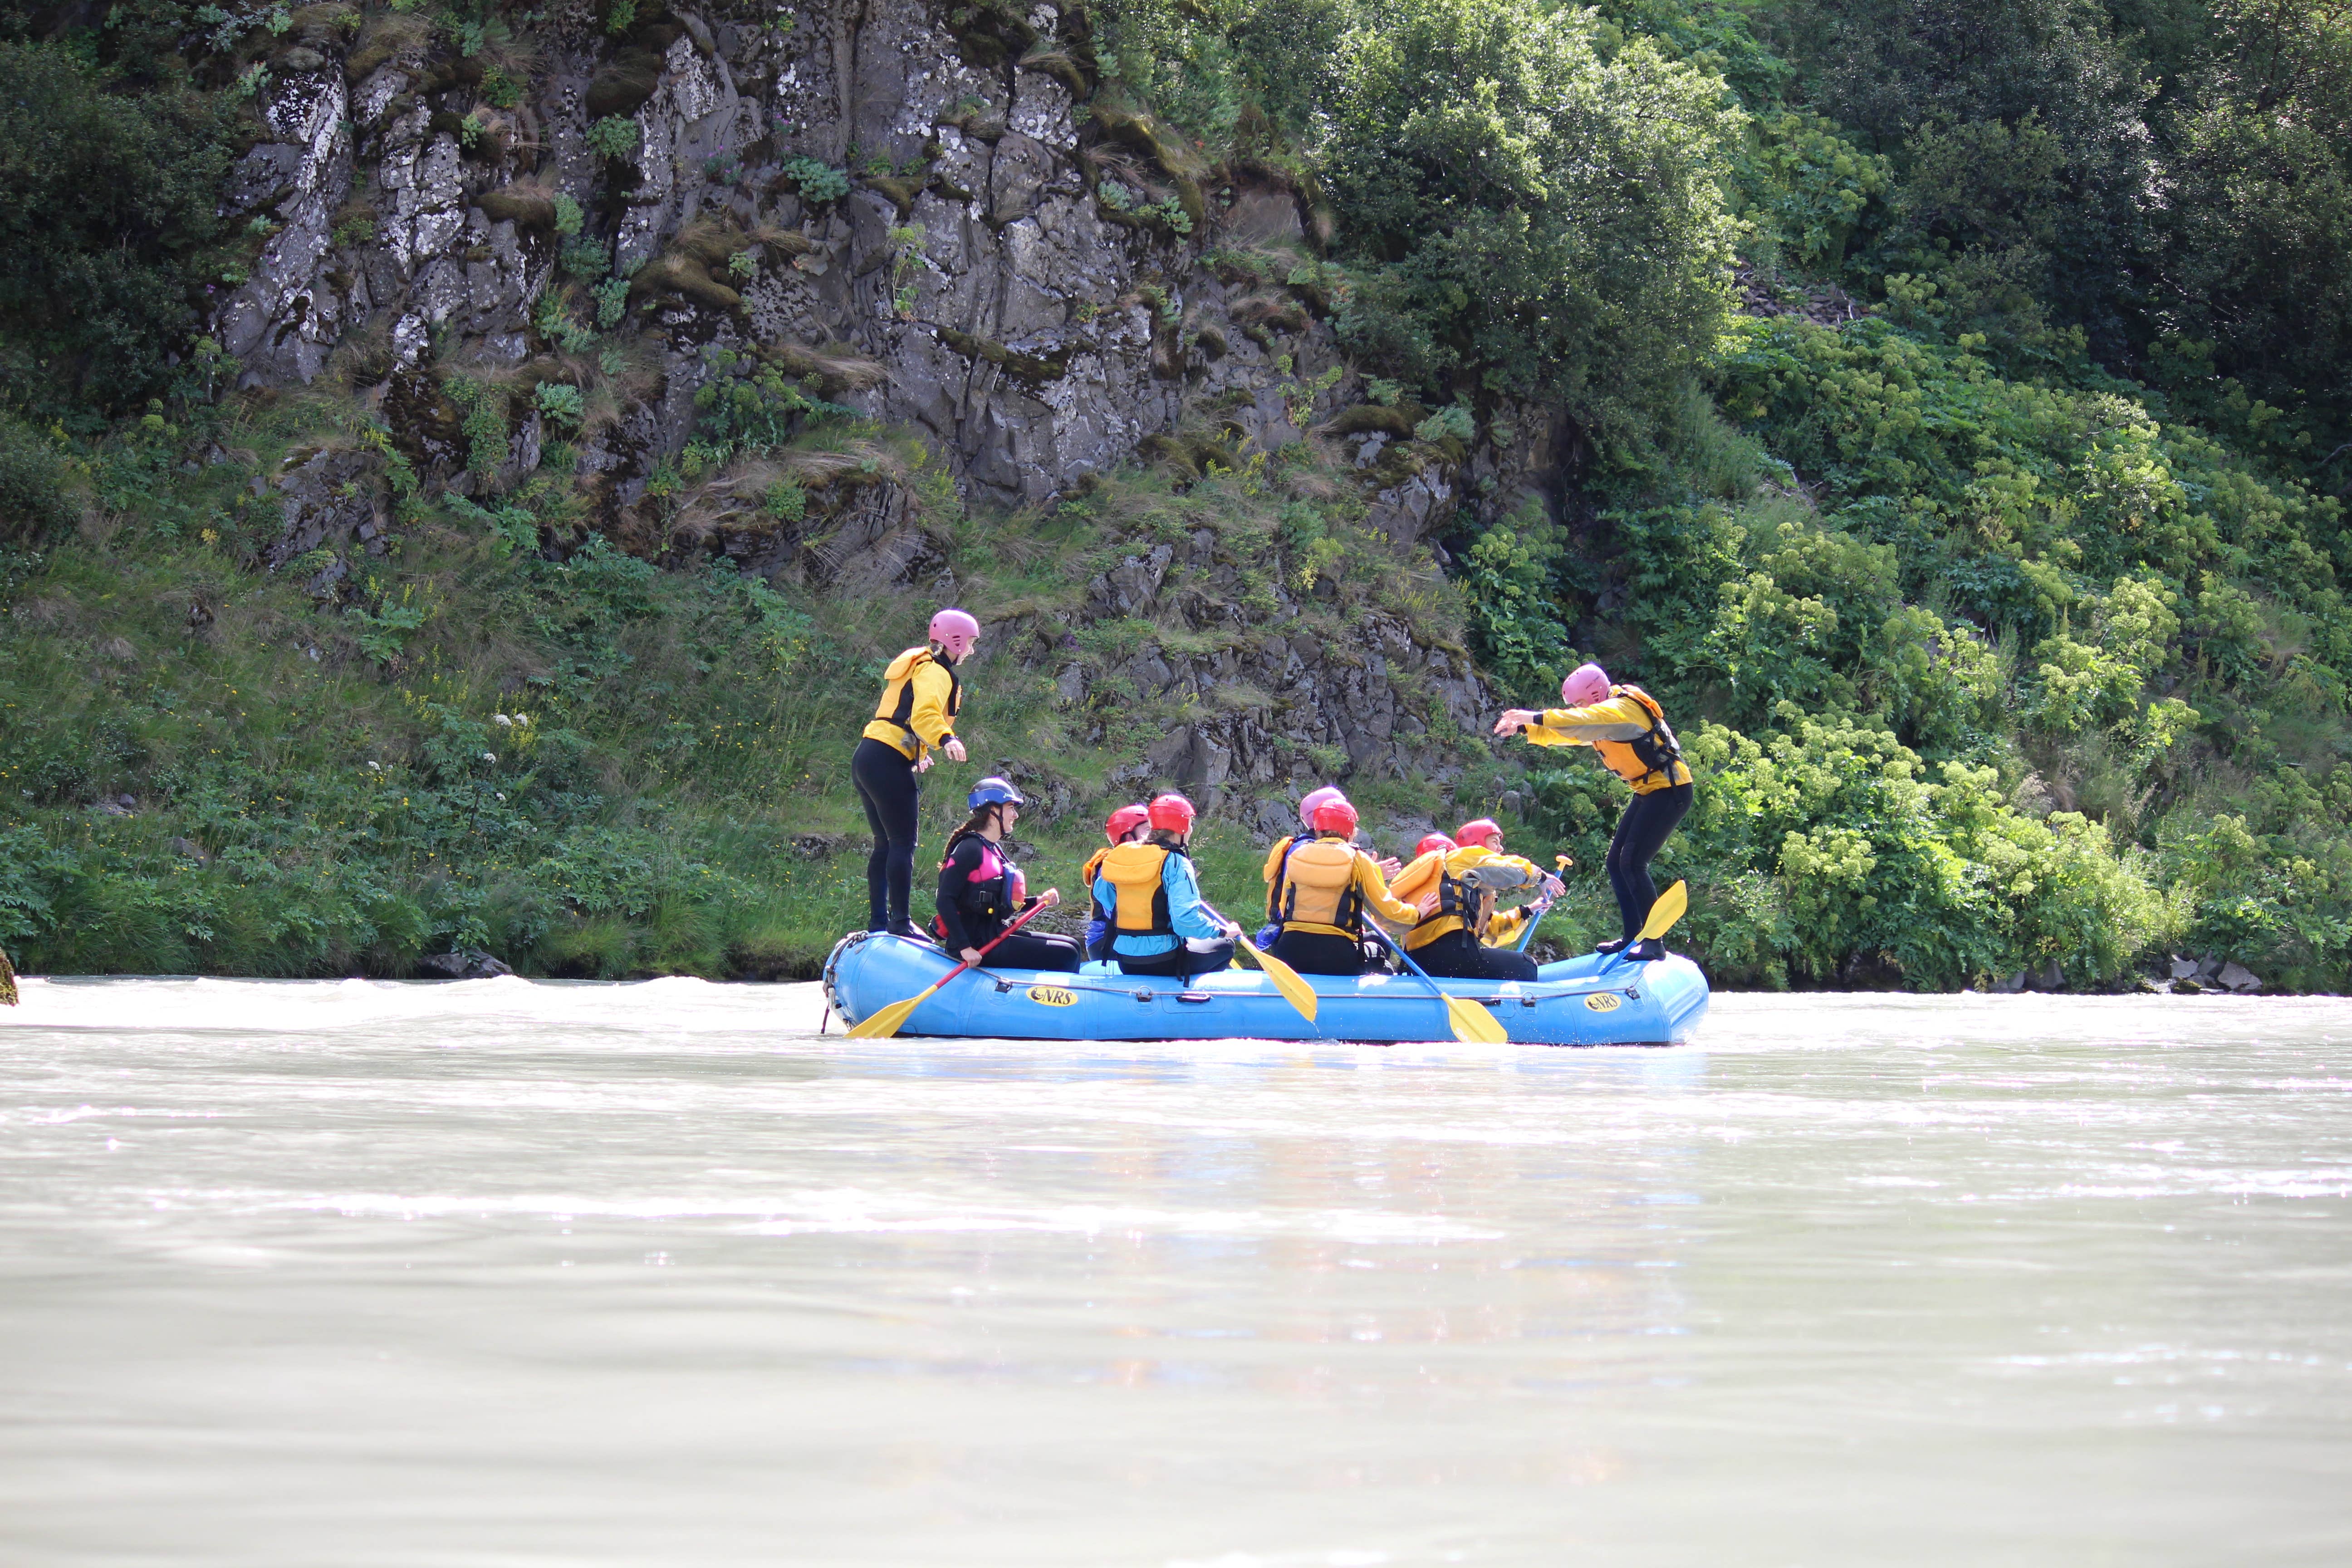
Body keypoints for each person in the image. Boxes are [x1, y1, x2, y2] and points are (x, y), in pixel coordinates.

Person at [1493, 662, 1692, 962]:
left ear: (1595, 695)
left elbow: (1581, 719)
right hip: (1649, 791)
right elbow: (1572, 732)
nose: (1576, 709)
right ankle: (1632, 937)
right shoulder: (1603, 717)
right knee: (1616, 863)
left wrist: (1532, 716)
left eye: (1579, 703)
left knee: (1633, 863)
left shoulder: (1621, 710)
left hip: (1671, 790)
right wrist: (1524, 728)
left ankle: (1654, 943)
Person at [853, 608, 977, 935]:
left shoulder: (920, 664)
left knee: (885, 843)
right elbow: (924, 714)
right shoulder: (936, 671)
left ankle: (879, 923)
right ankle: (900, 923)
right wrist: (947, 738)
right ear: (955, 641)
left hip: (868, 755)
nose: (971, 650)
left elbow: (902, 717)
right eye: (970, 643)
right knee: (902, 843)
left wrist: (918, 753)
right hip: (887, 760)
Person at [932, 776, 1082, 971]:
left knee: (1073, 946)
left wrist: (1038, 901)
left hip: (993, 934)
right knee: (1067, 954)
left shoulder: (994, 849)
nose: (1016, 815)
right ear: (994, 810)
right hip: (976, 944)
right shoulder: (970, 849)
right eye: (1011, 808)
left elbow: (1000, 901)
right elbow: (945, 900)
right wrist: (965, 948)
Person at [1260, 797, 1422, 975]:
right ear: (1350, 831)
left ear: (1318, 828)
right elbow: (1388, 914)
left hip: (1289, 952)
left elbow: (1284, 907)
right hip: (1336, 955)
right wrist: (1417, 914)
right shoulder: (1358, 859)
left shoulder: (1296, 856)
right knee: (1378, 952)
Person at [1388, 818, 1563, 981]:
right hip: (1450, 953)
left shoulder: (1441, 889)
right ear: (1475, 845)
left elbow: (1488, 931)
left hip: (1417, 962)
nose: (1501, 849)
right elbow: (1509, 869)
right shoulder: (1459, 858)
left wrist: (1527, 911)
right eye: (1495, 842)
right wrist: (1541, 877)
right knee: (1525, 965)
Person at [1092, 793, 1239, 979]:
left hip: (1126, 961)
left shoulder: (1121, 855)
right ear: (1181, 826)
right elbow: (1184, 921)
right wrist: (1223, 931)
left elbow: (1102, 894)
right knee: (1226, 946)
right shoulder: (1176, 862)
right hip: (1165, 960)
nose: (1191, 830)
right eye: (1190, 824)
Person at [1081, 802, 1152, 961]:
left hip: (1129, 938)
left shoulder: (1151, 863)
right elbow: (1118, 914)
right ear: (1128, 837)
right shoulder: (1110, 865)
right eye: (1148, 830)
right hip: (1106, 940)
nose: (1154, 836)